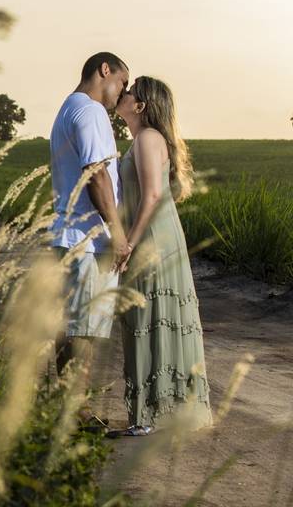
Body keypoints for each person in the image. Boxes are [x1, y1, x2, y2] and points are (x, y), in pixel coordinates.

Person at [110, 76, 213, 436]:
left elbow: (152, 195)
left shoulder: (147, 138)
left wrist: (129, 244)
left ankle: (145, 419)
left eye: (131, 90)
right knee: (149, 316)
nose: (123, 93)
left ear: (140, 106)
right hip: (156, 233)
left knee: (146, 317)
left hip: (152, 238)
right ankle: (152, 414)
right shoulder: (142, 140)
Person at [49, 52, 131, 426]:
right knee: (83, 329)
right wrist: (117, 232)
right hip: (88, 237)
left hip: (69, 236)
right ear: (104, 71)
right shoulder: (92, 111)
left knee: (72, 326)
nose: (122, 93)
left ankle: (69, 408)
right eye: (122, 83)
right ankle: (76, 413)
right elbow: (97, 174)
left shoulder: (69, 107)